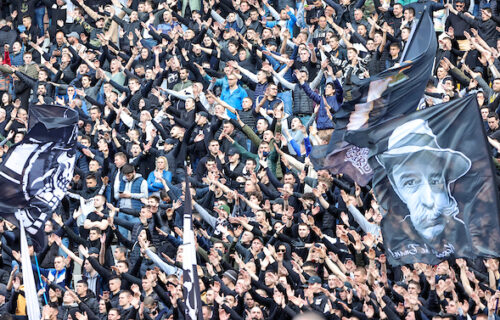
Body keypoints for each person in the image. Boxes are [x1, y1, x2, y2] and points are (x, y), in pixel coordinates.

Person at [376, 119, 471, 250]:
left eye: (435, 181)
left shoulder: (469, 237)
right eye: (410, 183)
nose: (429, 201)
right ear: (396, 188)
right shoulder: (398, 242)